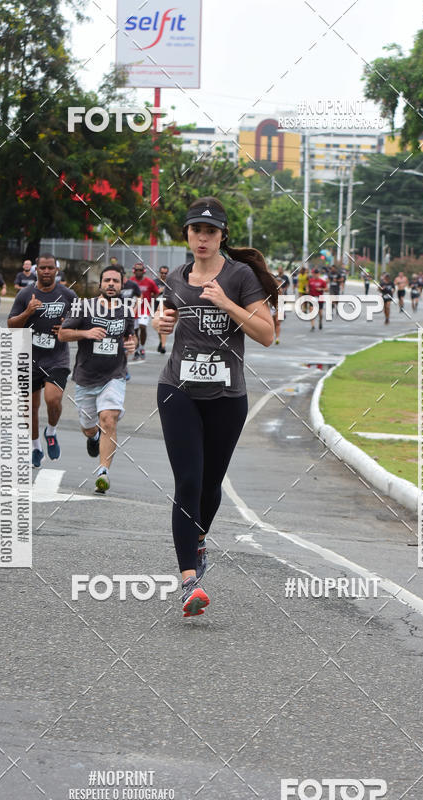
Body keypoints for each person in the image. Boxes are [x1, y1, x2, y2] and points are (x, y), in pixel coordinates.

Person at [153, 196, 276, 617]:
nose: (202, 238)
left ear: (223, 236)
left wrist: (225, 303)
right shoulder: (176, 276)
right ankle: (189, 581)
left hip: (226, 397)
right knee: (187, 482)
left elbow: (266, 334)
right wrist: (160, 323)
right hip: (177, 390)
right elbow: (169, 317)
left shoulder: (240, 277)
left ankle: (199, 537)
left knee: (210, 485)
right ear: (186, 234)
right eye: (195, 231)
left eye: (210, 231)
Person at [59, 266, 137, 494]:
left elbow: (129, 339)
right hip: (86, 377)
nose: (111, 284)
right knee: (89, 428)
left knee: (108, 419)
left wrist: (132, 346)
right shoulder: (84, 307)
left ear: (122, 285)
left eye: (115, 281)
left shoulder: (126, 310)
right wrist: (86, 333)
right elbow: (63, 334)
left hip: (114, 375)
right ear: (100, 284)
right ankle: (92, 438)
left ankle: (103, 472)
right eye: (107, 280)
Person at [7, 254, 78, 467]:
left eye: (50, 268)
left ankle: (52, 431)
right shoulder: (25, 294)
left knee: (53, 399)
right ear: (36, 270)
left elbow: (81, 322)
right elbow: (11, 326)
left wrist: (68, 325)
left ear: (57, 270)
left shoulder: (68, 294)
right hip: (28, 357)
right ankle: (35, 447)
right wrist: (28, 312)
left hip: (57, 357)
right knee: (30, 406)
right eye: (42, 268)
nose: (46, 271)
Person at [131, 262, 159, 359]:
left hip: (144, 308)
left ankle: (142, 347)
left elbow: (156, 292)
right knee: (134, 331)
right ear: (134, 271)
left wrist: (152, 300)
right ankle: (137, 349)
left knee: (142, 326)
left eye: (140, 270)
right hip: (133, 309)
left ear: (144, 271)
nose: (139, 272)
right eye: (137, 270)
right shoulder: (131, 281)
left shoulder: (149, 282)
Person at [154, 265, 169, 353]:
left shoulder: (170, 283)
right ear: (159, 273)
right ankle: (161, 342)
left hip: (166, 306)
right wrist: (159, 291)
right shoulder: (155, 282)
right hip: (157, 306)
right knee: (159, 326)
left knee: (163, 325)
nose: (164, 275)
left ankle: (163, 346)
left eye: (165, 273)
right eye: (162, 273)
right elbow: (152, 295)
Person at [273, 264, 290, 344]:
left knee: (277, 322)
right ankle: (273, 334)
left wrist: (284, 289)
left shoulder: (285, 277)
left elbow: (288, 284)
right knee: (273, 322)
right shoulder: (275, 277)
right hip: (272, 304)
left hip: (281, 300)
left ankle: (277, 338)